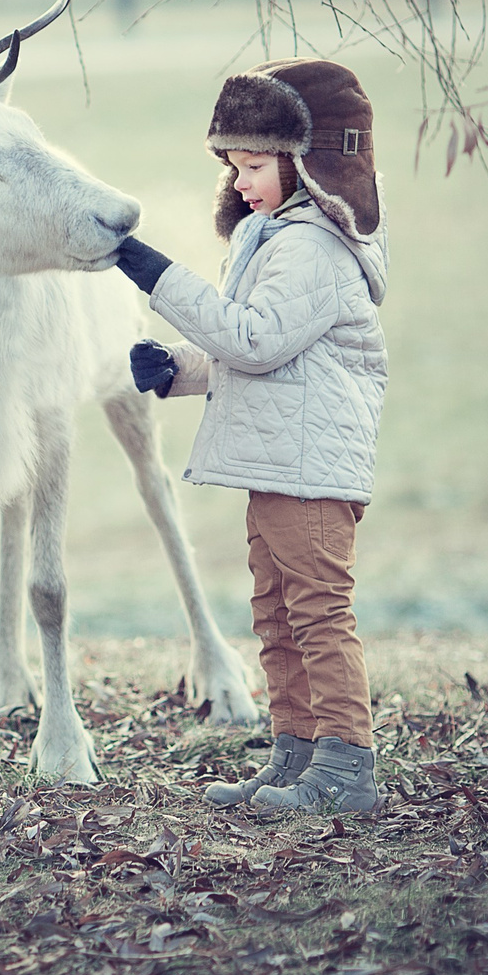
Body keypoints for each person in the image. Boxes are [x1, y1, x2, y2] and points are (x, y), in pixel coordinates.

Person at [108, 59, 390, 816]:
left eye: (256, 164)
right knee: (276, 613)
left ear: (313, 161)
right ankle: (297, 752)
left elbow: (258, 340)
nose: (239, 182)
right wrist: (176, 368)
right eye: (233, 166)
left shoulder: (314, 250)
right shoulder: (272, 238)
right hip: (277, 465)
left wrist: (155, 275)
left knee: (319, 614)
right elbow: (249, 350)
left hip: (310, 469)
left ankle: (347, 765)